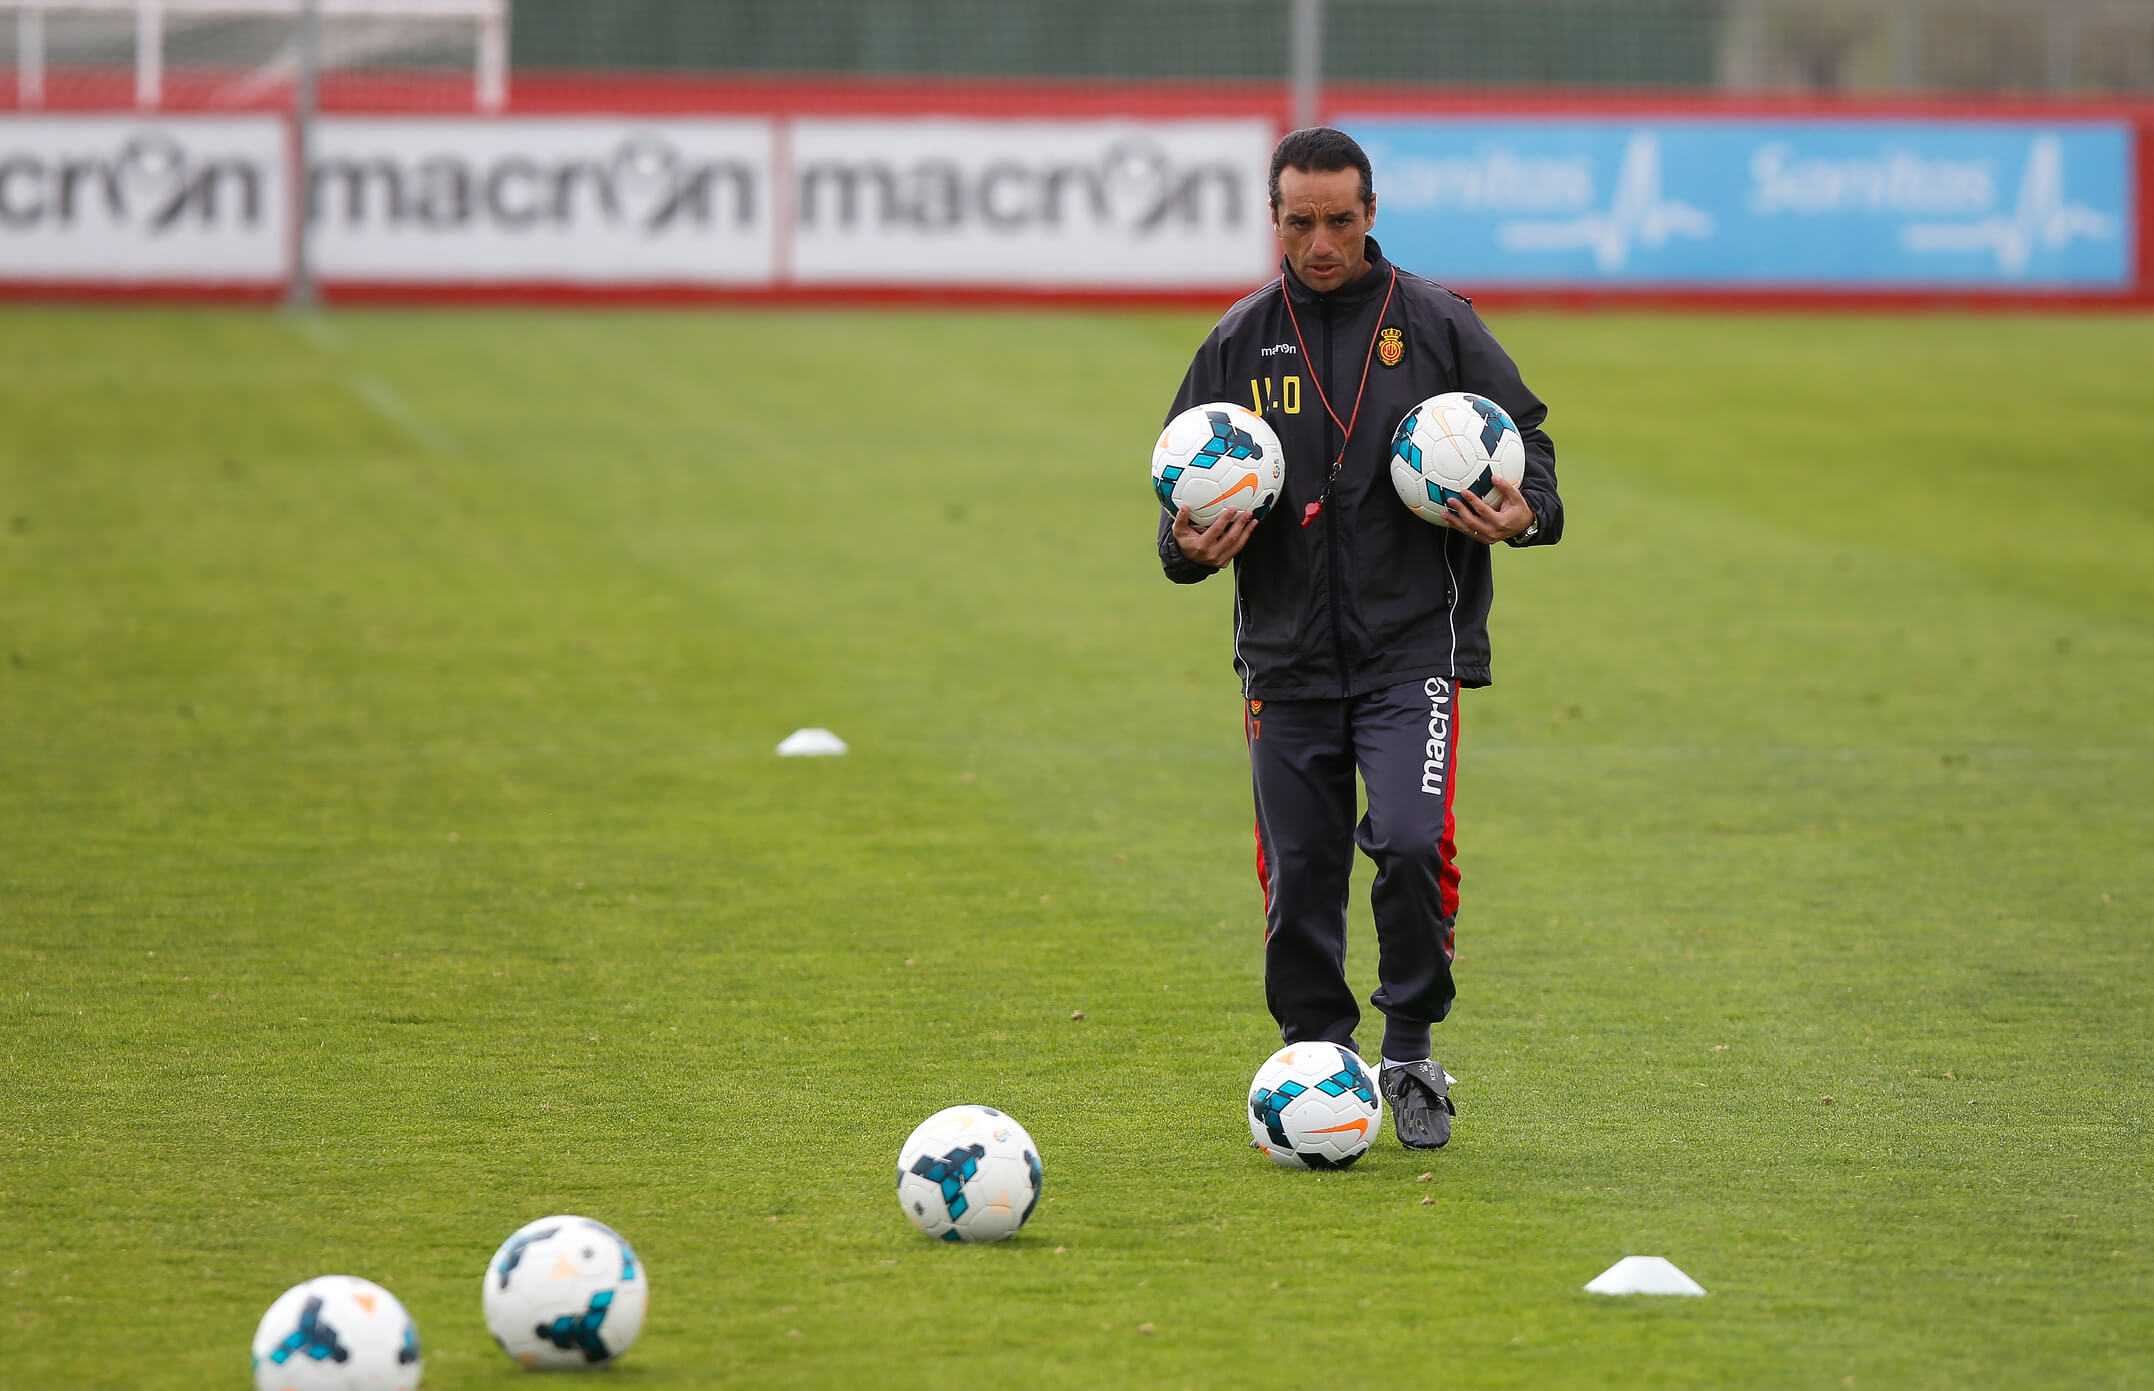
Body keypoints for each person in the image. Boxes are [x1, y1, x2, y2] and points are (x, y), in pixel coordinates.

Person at [1156, 126, 1563, 1152]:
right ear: (1275, 219)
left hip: (1408, 649)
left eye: (1341, 220)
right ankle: (1314, 1059)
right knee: (1298, 872)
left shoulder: (1436, 323)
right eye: (1301, 222)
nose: (1322, 241)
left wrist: (1525, 516)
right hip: (1286, 657)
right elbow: (1176, 512)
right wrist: (1192, 549)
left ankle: (1413, 1047)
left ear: (1371, 214)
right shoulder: (1239, 342)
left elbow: (1533, 452)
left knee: (1415, 843)